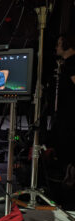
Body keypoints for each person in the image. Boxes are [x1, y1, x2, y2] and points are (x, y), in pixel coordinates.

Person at [53, 34, 75, 177]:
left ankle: (68, 172)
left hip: (70, 111)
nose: (56, 47)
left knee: (67, 141)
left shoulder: (72, 63)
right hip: (65, 110)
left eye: (59, 43)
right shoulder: (66, 63)